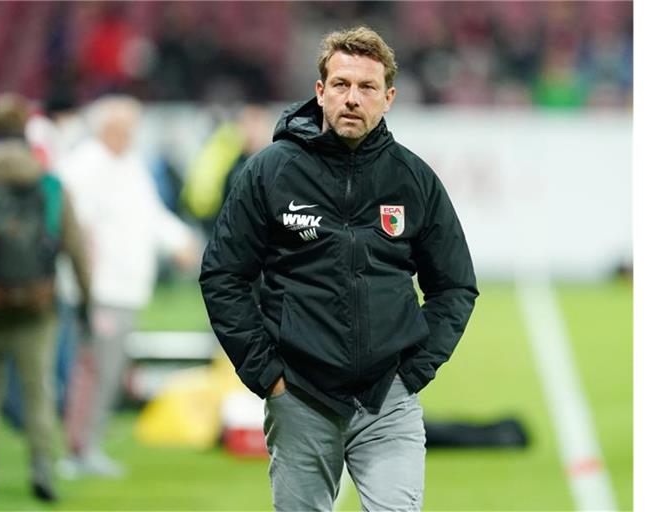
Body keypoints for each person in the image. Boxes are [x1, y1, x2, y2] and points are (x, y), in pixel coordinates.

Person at [200, 26, 478, 511]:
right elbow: (223, 274)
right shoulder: (269, 171)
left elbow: (454, 284)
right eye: (342, 85)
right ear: (320, 92)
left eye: (367, 87)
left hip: (389, 399)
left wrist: (414, 370)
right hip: (300, 397)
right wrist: (267, 374)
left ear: (388, 97)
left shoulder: (413, 179)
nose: (353, 98)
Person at [0, 93, 92, 502]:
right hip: (38, 302)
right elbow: (75, 248)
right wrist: (85, 299)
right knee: (39, 390)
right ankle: (43, 470)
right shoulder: (49, 185)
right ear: (27, 132)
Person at [57, 95, 199, 478]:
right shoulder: (84, 166)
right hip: (100, 289)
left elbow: (149, 216)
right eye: (124, 129)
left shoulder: (129, 165)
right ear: (107, 128)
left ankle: (87, 444)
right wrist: (87, 281)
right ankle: (78, 450)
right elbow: (76, 227)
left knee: (108, 368)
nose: (130, 136)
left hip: (125, 288)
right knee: (95, 369)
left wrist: (179, 240)